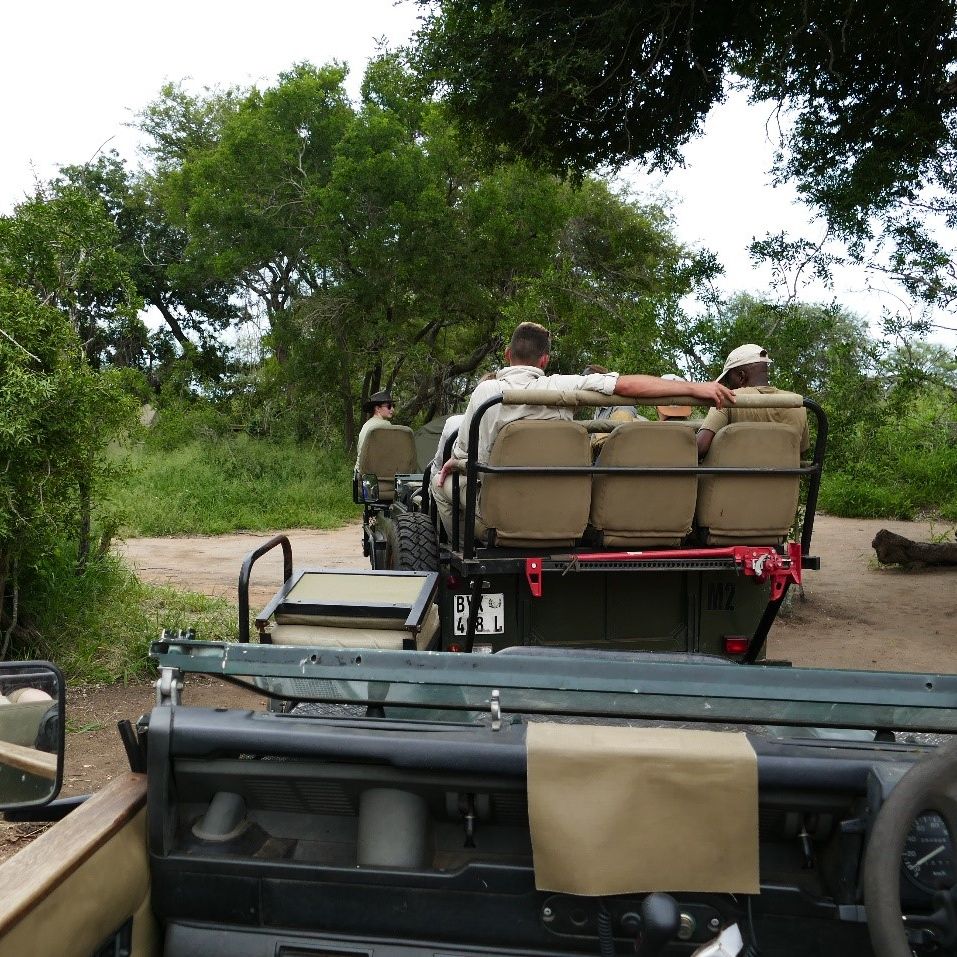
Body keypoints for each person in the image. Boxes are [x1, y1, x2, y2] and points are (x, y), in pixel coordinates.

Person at [433, 322, 735, 537]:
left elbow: (470, 456)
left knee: (438, 482)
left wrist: (455, 462)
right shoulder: (563, 385)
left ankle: (466, 548)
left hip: (499, 508)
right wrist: (697, 387)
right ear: (544, 360)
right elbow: (627, 385)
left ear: (508, 354)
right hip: (560, 510)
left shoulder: (486, 392)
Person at [696, 344, 810, 458]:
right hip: (785, 476)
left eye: (728, 380)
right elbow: (800, 452)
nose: (727, 387)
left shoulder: (727, 400)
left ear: (741, 376)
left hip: (734, 476)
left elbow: (700, 448)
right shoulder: (797, 404)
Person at [354, 389, 395, 473]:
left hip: (360, 472)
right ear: (378, 408)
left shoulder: (367, 424)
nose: (392, 409)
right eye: (389, 406)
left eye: (393, 405)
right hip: (375, 473)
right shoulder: (386, 425)